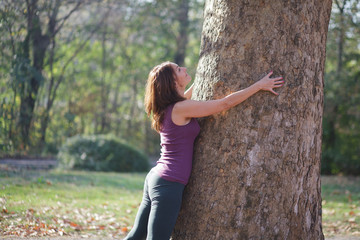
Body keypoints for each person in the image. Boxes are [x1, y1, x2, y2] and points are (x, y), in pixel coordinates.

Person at [124, 61, 284, 240]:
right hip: (169, 183)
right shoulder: (181, 108)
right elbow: (225, 104)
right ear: (172, 82)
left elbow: (185, 97)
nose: (184, 68)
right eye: (178, 69)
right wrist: (259, 86)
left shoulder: (169, 108)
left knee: (136, 235)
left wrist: (202, 74)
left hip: (157, 178)